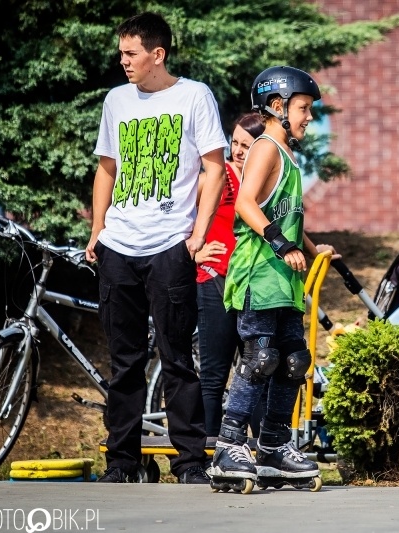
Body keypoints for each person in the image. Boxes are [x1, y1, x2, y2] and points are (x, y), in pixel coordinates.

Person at [85, 12, 227, 484]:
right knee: (124, 363)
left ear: (157, 54)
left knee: (177, 359)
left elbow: (214, 168)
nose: (123, 61)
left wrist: (197, 235)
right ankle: (121, 463)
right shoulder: (116, 100)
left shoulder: (194, 96)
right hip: (118, 247)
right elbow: (107, 168)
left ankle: (189, 463)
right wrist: (97, 230)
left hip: (170, 246)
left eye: (131, 53)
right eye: (121, 53)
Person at [208, 65, 334, 489]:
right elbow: (245, 203)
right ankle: (228, 445)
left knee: (295, 361)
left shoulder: (287, 154)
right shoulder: (265, 147)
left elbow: (286, 214)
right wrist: (281, 243)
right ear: (278, 106)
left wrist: (310, 249)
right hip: (259, 273)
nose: (309, 117)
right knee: (260, 359)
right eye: (304, 108)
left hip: (283, 279)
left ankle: (274, 447)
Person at [194, 112, 265, 438]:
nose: (237, 150)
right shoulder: (218, 176)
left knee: (257, 369)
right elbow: (178, 213)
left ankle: (266, 452)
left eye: (245, 146)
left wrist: (312, 249)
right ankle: (208, 454)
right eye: (234, 142)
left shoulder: (263, 180)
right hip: (216, 280)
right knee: (214, 375)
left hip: (251, 285)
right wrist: (193, 250)